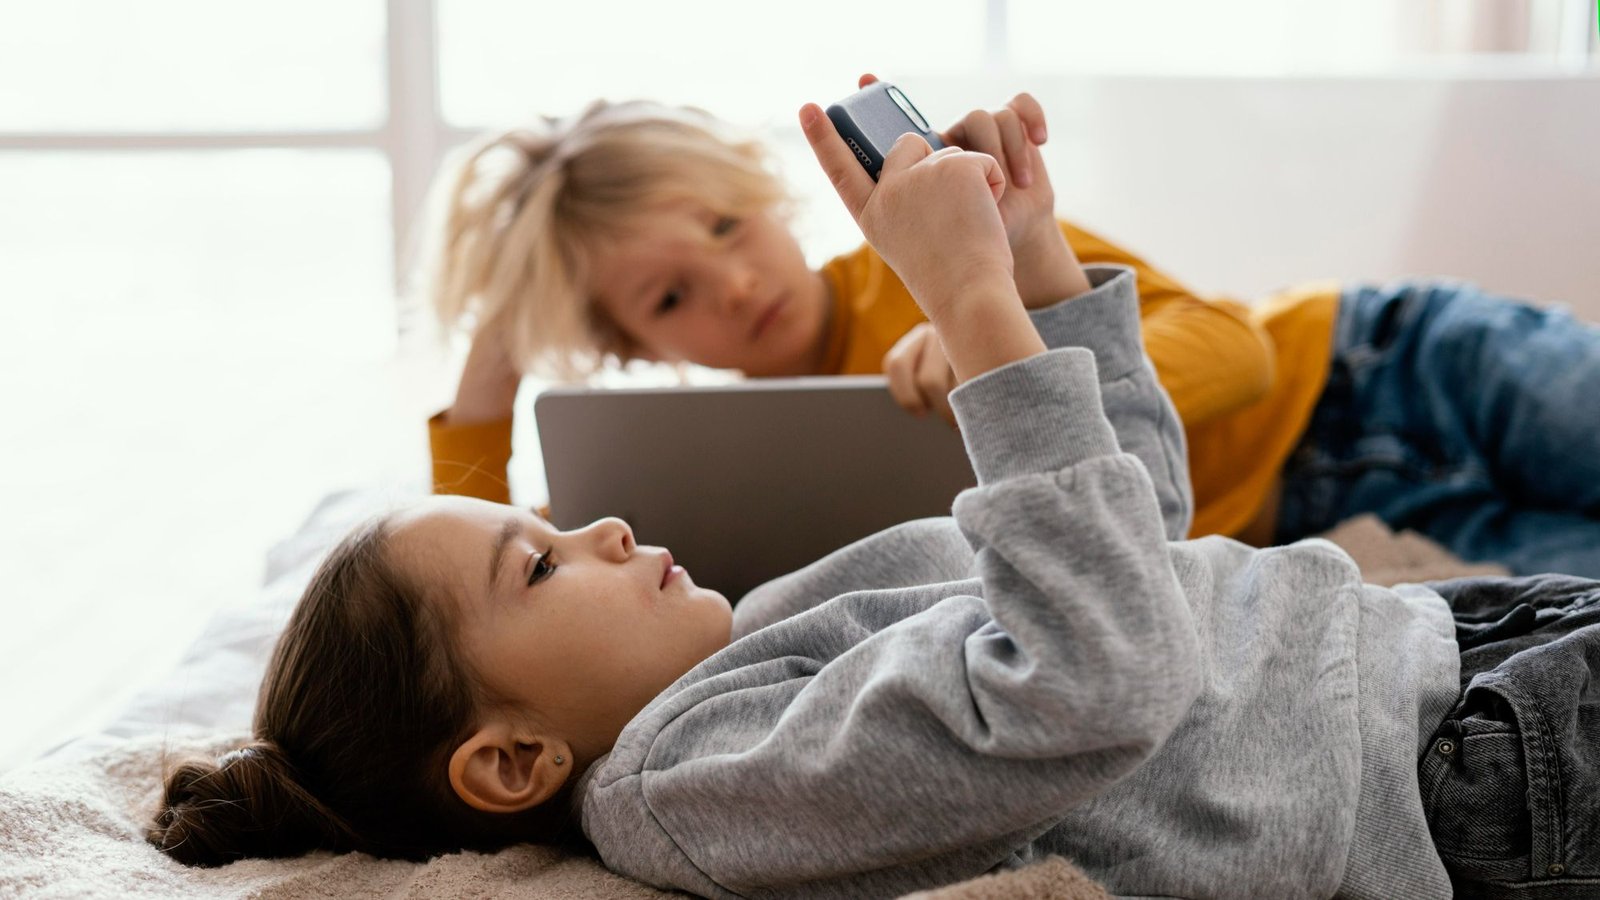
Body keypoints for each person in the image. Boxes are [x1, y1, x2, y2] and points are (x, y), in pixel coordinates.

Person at [149, 93, 1600, 900]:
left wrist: (1035, 285)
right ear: (515, 764)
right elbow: (1101, 681)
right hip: (1445, 764)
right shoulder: (693, 784)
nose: (595, 529)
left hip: (1424, 648)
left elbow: (1130, 563)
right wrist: (977, 314)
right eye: (539, 568)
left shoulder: (756, 655)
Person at [420, 77, 1600, 579]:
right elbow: (514, 568)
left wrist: (1001, 345)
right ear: (636, 350)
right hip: (1338, 522)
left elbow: (1235, 355)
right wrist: (486, 386)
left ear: (764, 191)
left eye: (725, 229)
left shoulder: (935, 239)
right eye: (669, 299)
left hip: (1383, 368)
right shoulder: (732, 466)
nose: (729, 287)